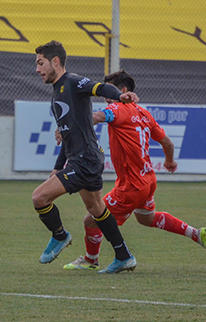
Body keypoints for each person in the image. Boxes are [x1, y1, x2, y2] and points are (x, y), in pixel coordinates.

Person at [62, 70, 206, 271]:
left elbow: (96, 117)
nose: (105, 95)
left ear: (123, 91)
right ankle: (195, 234)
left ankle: (91, 260)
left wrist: (68, 128)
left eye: (109, 90)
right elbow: (168, 143)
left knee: (92, 219)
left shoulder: (118, 107)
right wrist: (170, 162)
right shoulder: (144, 114)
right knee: (146, 218)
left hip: (131, 186)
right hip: (148, 180)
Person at [32, 41, 139, 274]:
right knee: (96, 208)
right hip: (84, 158)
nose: (38, 69)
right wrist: (57, 166)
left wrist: (122, 97)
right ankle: (123, 255)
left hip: (85, 160)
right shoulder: (57, 92)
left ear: (55, 62)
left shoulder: (71, 81)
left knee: (39, 198)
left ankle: (60, 236)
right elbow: (69, 135)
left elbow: (99, 88)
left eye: (41, 63)